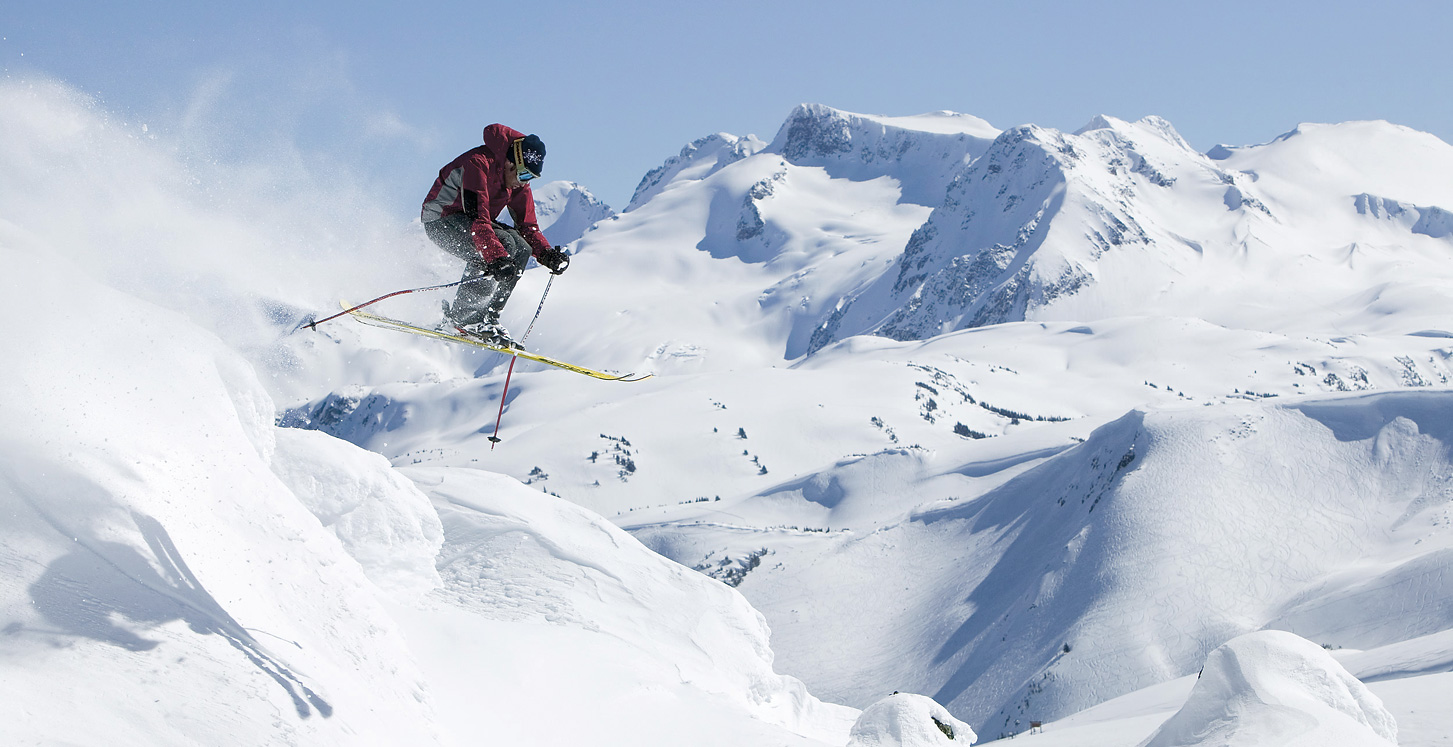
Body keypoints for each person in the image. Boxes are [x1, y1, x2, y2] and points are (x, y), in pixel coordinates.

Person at [421, 124, 569, 349]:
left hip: (474, 222)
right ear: (511, 162)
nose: (524, 181)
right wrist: (497, 258)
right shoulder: (478, 164)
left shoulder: (519, 183)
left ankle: (488, 319)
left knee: (522, 248)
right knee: (500, 246)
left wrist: (547, 254)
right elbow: (477, 219)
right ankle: (463, 319)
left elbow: (528, 226)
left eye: (531, 177)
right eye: (524, 174)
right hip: (441, 219)